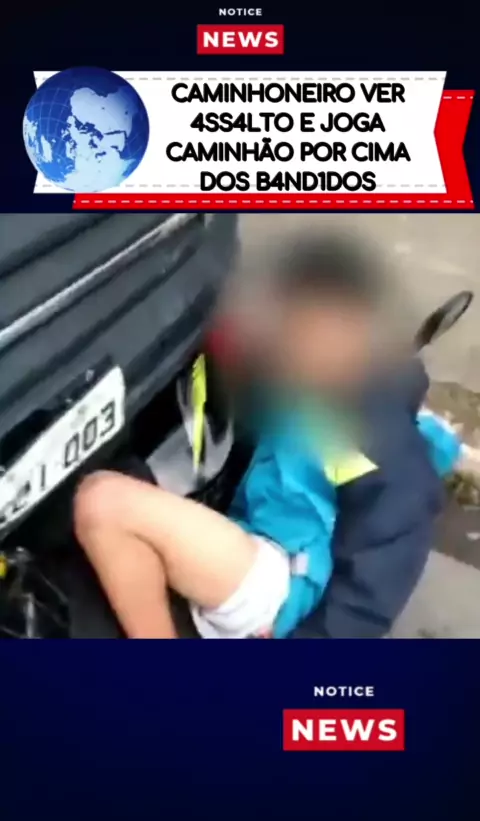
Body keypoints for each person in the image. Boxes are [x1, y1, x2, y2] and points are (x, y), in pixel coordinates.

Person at [74, 234, 461, 639]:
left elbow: (384, 557)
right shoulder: (304, 389)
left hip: (282, 581)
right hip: (253, 542)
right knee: (109, 510)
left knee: (102, 502)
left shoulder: (366, 429)